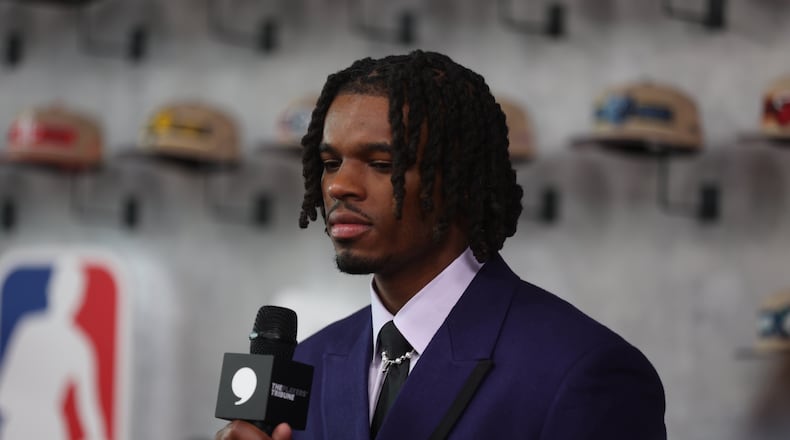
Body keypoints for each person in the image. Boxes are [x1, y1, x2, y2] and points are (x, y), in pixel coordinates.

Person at [216, 50, 666, 440]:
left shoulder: (584, 372)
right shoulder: (309, 362)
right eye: (330, 162)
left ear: (459, 183)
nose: (340, 186)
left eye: (380, 163)